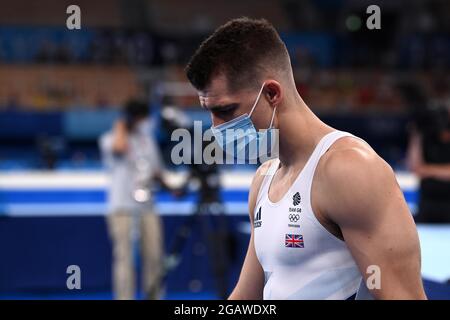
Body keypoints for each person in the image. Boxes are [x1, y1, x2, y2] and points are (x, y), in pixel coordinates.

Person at [184, 18, 426, 299]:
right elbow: (246, 298)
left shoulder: (350, 170)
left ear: (272, 93)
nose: (216, 127)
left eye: (225, 111)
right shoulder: (264, 180)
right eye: (209, 113)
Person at [99, 99, 170, 300]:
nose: (146, 122)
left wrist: (172, 189)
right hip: (122, 208)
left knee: (155, 257)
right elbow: (119, 148)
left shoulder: (148, 140)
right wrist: (121, 125)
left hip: (148, 207)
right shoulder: (111, 138)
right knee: (125, 259)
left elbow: (156, 172)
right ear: (133, 118)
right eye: (142, 118)